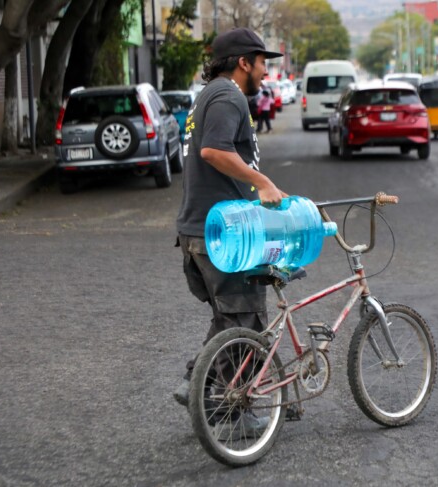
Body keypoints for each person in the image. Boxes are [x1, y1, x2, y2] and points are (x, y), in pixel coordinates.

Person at [173, 27, 286, 433]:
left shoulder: (210, 96)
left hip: (204, 231)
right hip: (221, 235)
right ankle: (234, 417)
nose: (265, 72)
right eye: (262, 63)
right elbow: (213, 151)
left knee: (229, 319)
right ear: (243, 63)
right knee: (245, 322)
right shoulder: (227, 96)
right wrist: (262, 182)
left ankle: (196, 386)